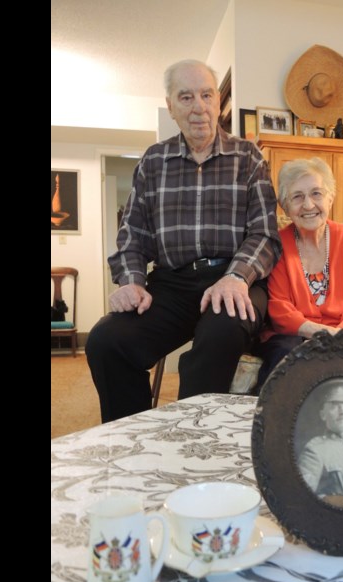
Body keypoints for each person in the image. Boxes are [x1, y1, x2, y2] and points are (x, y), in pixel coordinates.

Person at [85, 60, 282, 422]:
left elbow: (264, 233)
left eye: (207, 95)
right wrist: (131, 282)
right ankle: (134, 437)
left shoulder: (247, 157)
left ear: (217, 102)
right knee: (105, 342)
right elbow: (132, 234)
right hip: (171, 285)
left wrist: (236, 277)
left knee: (219, 336)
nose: (199, 107)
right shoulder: (153, 161)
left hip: (232, 281)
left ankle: (193, 441)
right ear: (171, 106)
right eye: (186, 97)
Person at [254, 157, 343, 391]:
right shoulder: (278, 243)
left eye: (316, 193)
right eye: (297, 197)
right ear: (284, 205)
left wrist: (338, 337)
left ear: (330, 197)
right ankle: (273, 422)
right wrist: (318, 332)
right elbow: (279, 307)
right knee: (288, 354)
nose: (309, 205)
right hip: (295, 334)